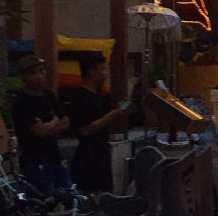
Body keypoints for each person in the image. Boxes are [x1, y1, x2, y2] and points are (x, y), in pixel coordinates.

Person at [66, 56, 130, 192]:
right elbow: (85, 129)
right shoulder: (80, 97)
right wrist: (112, 115)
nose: (105, 73)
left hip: (101, 153)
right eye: (102, 69)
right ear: (91, 71)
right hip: (88, 159)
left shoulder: (99, 95)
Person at [11, 54, 72, 195]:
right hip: (34, 161)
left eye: (41, 71)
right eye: (33, 73)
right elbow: (38, 131)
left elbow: (66, 122)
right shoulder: (21, 102)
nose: (39, 76)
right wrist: (54, 121)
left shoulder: (48, 95)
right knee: (45, 199)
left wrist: (49, 126)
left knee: (70, 195)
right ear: (23, 77)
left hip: (55, 157)